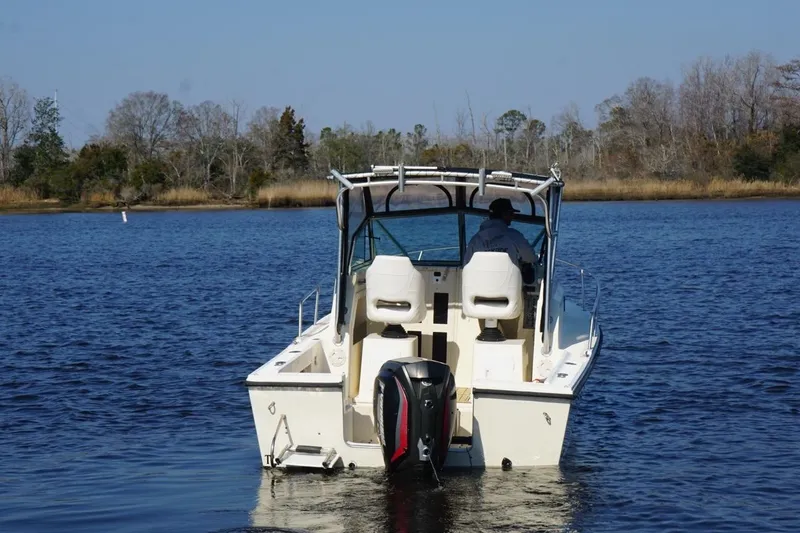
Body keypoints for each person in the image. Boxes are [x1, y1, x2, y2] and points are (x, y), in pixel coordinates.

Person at [464, 198, 538, 273]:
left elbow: (466, 266)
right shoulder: (514, 236)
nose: (512, 217)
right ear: (504, 214)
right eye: (511, 214)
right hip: (509, 284)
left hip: (480, 284)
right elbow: (531, 258)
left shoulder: (475, 241)